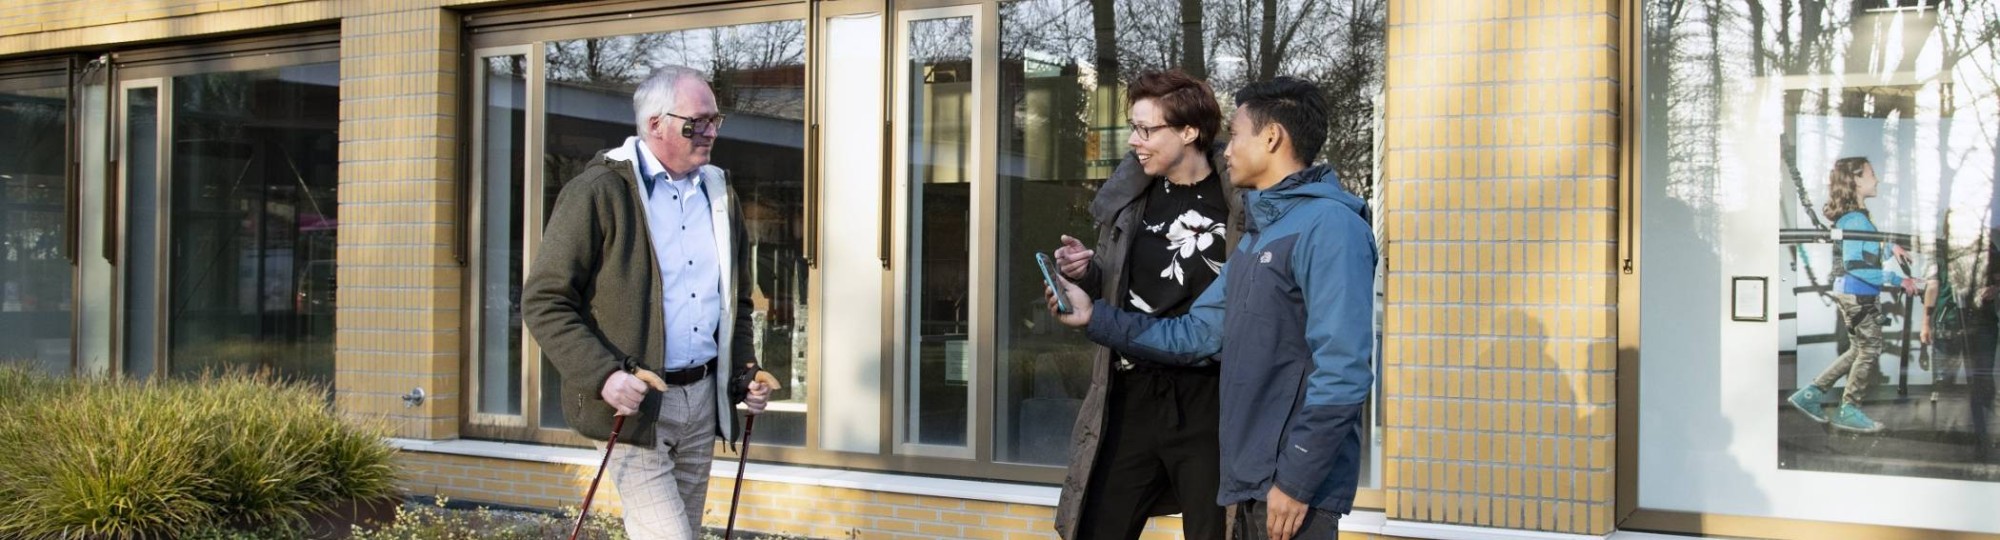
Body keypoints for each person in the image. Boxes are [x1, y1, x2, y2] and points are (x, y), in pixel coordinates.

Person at [1051, 76, 1375, 540]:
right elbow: (1195, 333)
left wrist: (1297, 480)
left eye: (1236, 135)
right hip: (1251, 474)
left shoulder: (1330, 228)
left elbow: (1343, 369)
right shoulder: (1263, 234)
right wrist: (1093, 315)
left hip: (1286, 482)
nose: (1227, 149)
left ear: (1271, 138)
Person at [524, 65, 774, 540]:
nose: (711, 132)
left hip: (703, 400)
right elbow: (544, 301)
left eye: (715, 120)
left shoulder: (719, 194)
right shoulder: (598, 192)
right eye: (697, 122)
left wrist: (745, 373)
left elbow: (735, 303)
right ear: (655, 124)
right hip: (636, 406)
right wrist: (605, 375)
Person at [1050, 70, 1241, 540]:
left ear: (1189, 131)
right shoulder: (1133, 199)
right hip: (1131, 389)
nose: (1134, 141)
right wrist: (1085, 275)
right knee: (1098, 525)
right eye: (1133, 128)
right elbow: (1117, 287)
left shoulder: (1236, 204)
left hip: (1208, 399)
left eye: (1146, 129)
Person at [1786, 157, 1918, 433]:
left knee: (1858, 349)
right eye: (1871, 173)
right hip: (1859, 294)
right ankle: (1849, 409)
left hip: (1853, 293)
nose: (1877, 179)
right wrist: (1899, 280)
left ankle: (1809, 394)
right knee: (1869, 350)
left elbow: (1866, 254)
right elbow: (1855, 266)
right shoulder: (1856, 219)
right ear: (1857, 180)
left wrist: (1890, 247)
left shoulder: (1855, 217)